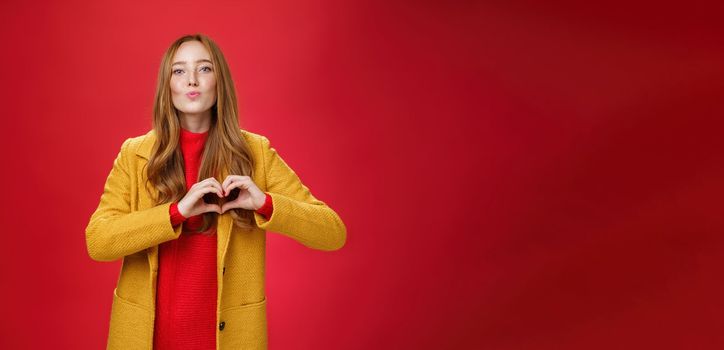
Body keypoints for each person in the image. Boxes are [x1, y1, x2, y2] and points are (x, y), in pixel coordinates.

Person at [84, 33, 347, 350]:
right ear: (167, 86)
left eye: (204, 69)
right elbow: (98, 241)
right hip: (146, 340)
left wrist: (264, 203)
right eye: (178, 71)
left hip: (230, 340)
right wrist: (176, 212)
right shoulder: (135, 154)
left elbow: (332, 233)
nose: (191, 80)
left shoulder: (255, 153)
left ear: (220, 82)